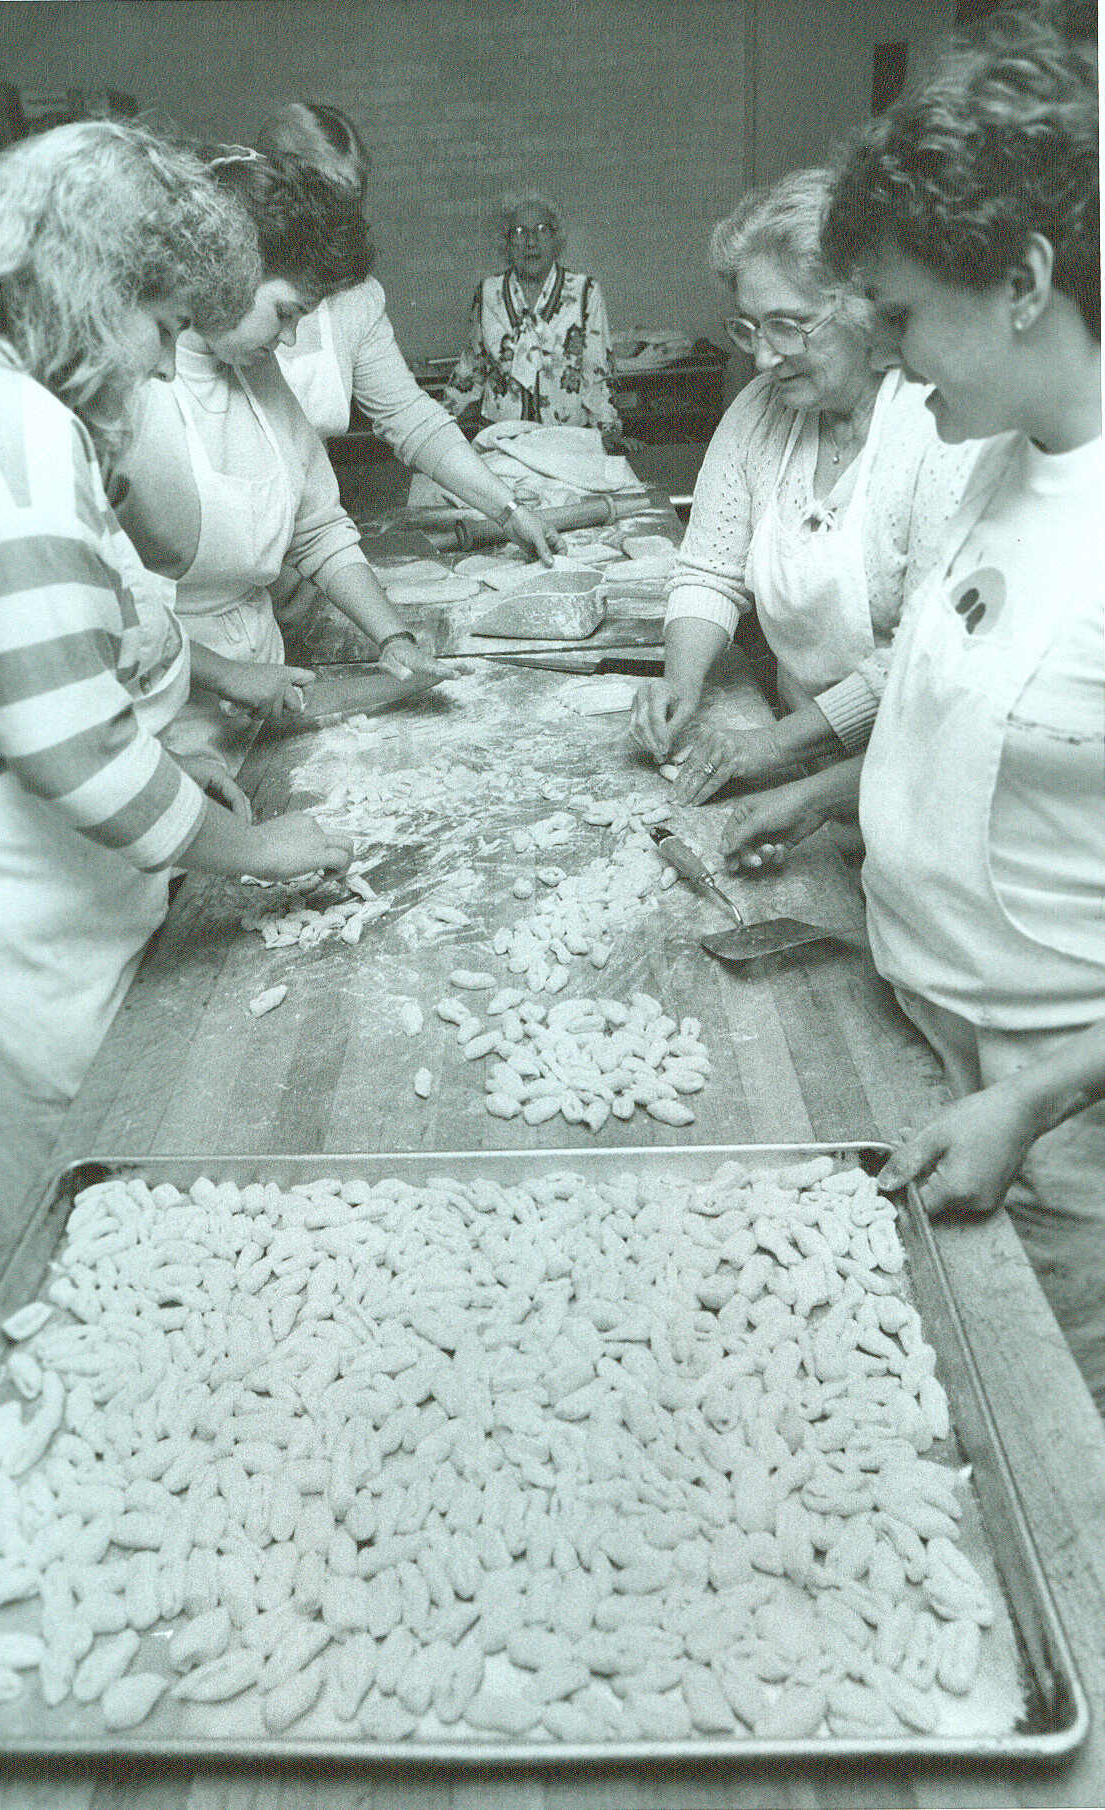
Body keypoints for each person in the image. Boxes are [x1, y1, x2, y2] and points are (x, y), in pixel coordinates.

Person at [721, 14, 1104, 1409]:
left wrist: (1031, 1096)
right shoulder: (993, 460)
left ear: (1020, 281)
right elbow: (948, 717)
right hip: (920, 1052)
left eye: (897, 316)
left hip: (1058, 1128)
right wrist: (819, 794)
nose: (879, 357)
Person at [0, 122, 353, 1256]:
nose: (167, 363)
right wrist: (258, 849)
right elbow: (70, 751)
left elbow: (57, 683)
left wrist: (170, 772)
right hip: (11, 906)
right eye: (164, 325)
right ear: (90, 287)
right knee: (76, 1229)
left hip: (46, 872)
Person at [629, 168, 976, 802]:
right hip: (801, 756)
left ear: (863, 310)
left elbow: (920, 655)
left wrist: (777, 745)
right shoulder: (760, 410)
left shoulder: (938, 427)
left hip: (920, 772)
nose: (761, 358)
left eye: (787, 326)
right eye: (748, 327)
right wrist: (681, 679)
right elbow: (709, 569)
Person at [117, 148, 454, 786]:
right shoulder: (134, 393)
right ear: (230, 270)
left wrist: (394, 640)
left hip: (262, 699)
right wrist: (227, 675)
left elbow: (319, 529)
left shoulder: (258, 372)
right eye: (287, 311)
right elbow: (111, 608)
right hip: (156, 720)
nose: (291, 337)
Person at [256, 103, 560, 567]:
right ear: (278, 196)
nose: (338, 223)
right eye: (325, 204)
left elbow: (412, 419)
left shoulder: (355, 296)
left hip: (306, 532)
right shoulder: (231, 290)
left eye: (350, 203)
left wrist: (509, 511)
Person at [442, 191, 625, 445]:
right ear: (506, 243)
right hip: (503, 442)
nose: (530, 241)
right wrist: (438, 430)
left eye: (541, 229)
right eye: (519, 231)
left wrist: (609, 431)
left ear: (556, 238)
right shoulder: (488, 293)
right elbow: (471, 370)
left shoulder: (585, 291)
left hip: (569, 442)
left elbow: (596, 370)